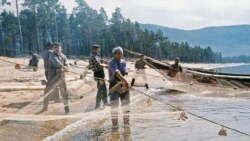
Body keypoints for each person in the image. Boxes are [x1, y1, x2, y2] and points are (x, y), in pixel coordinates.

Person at [42, 42, 70, 114]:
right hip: (53, 75)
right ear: (53, 48)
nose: (57, 49)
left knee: (64, 91)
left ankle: (66, 107)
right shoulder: (52, 54)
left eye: (58, 47)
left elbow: (66, 63)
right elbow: (56, 62)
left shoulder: (64, 56)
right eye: (55, 47)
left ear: (61, 48)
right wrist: (63, 67)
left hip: (61, 76)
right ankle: (45, 106)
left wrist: (66, 67)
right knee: (48, 90)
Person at [108, 46, 130, 130]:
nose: (120, 55)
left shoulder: (124, 62)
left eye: (121, 53)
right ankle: (115, 126)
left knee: (126, 105)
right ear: (114, 54)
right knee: (114, 107)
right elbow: (117, 73)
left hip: (124, 85)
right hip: (114, 86)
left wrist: (127, 76)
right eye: (118, 53)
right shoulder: (111, 62)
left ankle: (126, 125)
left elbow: (124, 72)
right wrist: (125, 81)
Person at [88, 44, 108, 109]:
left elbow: (102, 61)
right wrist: (107, 66)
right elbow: (99, 65)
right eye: (97, 49)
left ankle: (105, 103)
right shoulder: (93, 56)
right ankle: (97, 106)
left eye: (99, 49)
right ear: (94, 50)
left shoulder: (97, 56)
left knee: (104, 88)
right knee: (101, 89)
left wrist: (106, 62)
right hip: (98, 74)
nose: (99, 51)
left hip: (101, 73)